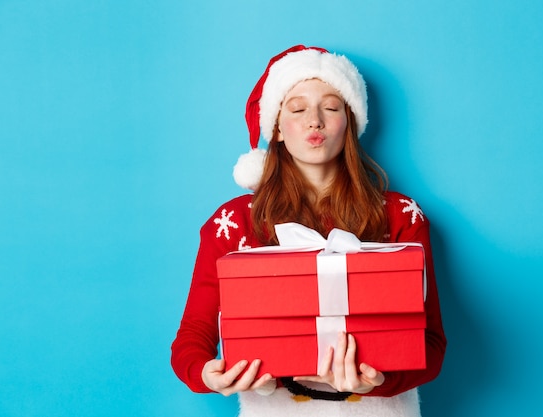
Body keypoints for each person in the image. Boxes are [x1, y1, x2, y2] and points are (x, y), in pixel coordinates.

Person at [171, 45, 446, 417]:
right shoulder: (234, 223)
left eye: (331, 107)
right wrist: (208, 375)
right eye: (297, 109)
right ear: (277, 128)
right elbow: (193, 336)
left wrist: (380, 382)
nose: (314, 121)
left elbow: (430, 345)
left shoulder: (400, 216)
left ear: (350, 122)